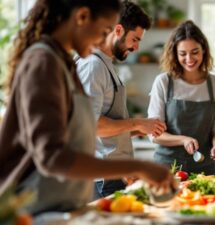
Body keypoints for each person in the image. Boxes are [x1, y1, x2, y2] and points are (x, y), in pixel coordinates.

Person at [0, 0, 174, 215]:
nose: (104, 40)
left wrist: (121, 168)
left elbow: (77, 136)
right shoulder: (44, 61)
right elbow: (52, 158)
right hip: (30, 211)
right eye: (106, 31)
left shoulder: (64, 63)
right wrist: (138, 166)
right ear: (82, 17)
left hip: (59, 205)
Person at [76, 1, 166, 198]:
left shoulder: (105, 64)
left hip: (114, 175)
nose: (136, 47)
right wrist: (138, 122)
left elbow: (109, 129)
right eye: (134, 39)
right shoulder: (93, 66)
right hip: (101, 179)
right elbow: (92, 127)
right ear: (118, 30)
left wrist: (140, 128)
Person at [147, 20, 215, 177]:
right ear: (175, 54)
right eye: (183, 54)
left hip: (206, 169)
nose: (189, 58)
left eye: (195, 52)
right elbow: (154, 134)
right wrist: (183, 140)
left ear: (204, 50)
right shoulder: (164, 82)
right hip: (167, 169)